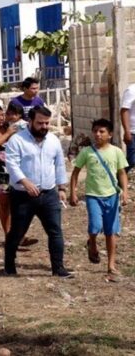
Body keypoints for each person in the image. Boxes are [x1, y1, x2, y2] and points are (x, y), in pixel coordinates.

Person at [4, 106, 73, 278]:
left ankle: (58, 268)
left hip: (48, 194)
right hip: (22, 195)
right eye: (40, 123)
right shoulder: (17, 140)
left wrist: (62, 188)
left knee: (55, 231)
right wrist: (25, 181)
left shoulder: (53, 141)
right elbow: (11, 164)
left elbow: (59, 164)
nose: (43, 126)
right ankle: (9, 266)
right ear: (30, 121)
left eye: (47, 123)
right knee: (17, 232)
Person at [69, 119, 129, 282]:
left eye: (102, 131)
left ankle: (111, 265)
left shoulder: (116, 152)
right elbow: (75, 173)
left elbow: (122, 173)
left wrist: (125, 192)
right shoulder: (87, 152)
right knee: (95, 226)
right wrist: (73, 193)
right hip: (93, 196)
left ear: (109, 135)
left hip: (112, 196)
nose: (97, 134)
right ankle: (92, 244)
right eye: (95, 131)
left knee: (111, 232)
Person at [0, 104, 39, 248]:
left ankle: (18, 235)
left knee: (17, 202)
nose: (1, 118)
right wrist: (7, 134)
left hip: (14, 168)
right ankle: (9, 236)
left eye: (2, 115)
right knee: (5, 203)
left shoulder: (9, 126)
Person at [120, 82, 135, 172]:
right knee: (132, 161)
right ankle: (117, 180)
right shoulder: (132, 90)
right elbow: (124, 110)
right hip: (133, 132)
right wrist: (127, 131)